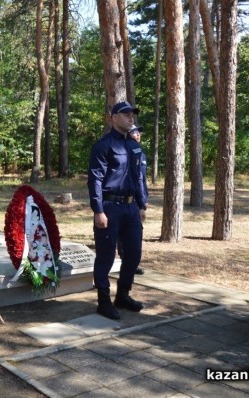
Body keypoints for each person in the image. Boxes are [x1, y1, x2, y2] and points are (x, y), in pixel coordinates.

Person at [87, 101, 148, 320]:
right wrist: (98, 210)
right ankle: (103, 301)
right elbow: (95, 179)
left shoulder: (133, 146)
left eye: (132, 114)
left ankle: (123, 294)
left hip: (131, 208)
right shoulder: (103, 145)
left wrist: (141, 204)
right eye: (125, 114)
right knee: (105, 256)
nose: (131, 117)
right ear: (113, 118)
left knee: (133, 253)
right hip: (110, 207)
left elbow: (138, 177)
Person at [120, 125, 148, 275]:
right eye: (135, 132)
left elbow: (142, 180)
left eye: (139, 132)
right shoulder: (123, 150)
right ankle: (125, 260)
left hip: (138, 198)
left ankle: (132, 262)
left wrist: (144, 199)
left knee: (137, 232)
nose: (138, 134)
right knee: (123, 232)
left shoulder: (141, 153)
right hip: (124, 199)